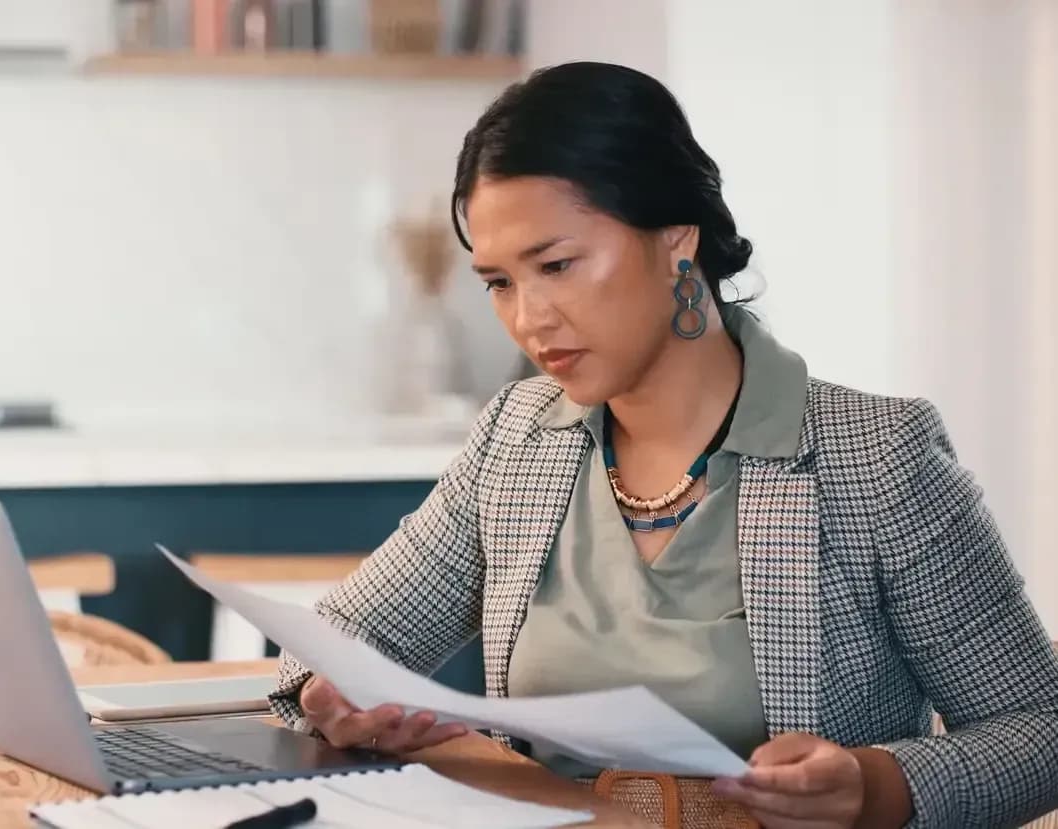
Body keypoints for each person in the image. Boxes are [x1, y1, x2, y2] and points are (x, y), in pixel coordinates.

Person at [270, 62, 1058, 829]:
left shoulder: (876, 457)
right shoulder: (516, 438)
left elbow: (1040, 730)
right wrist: (334, 695)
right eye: (499, 282)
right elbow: (337, 641)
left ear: (677, 239)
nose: (527, 318)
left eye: (556, 265)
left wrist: (875, 787)